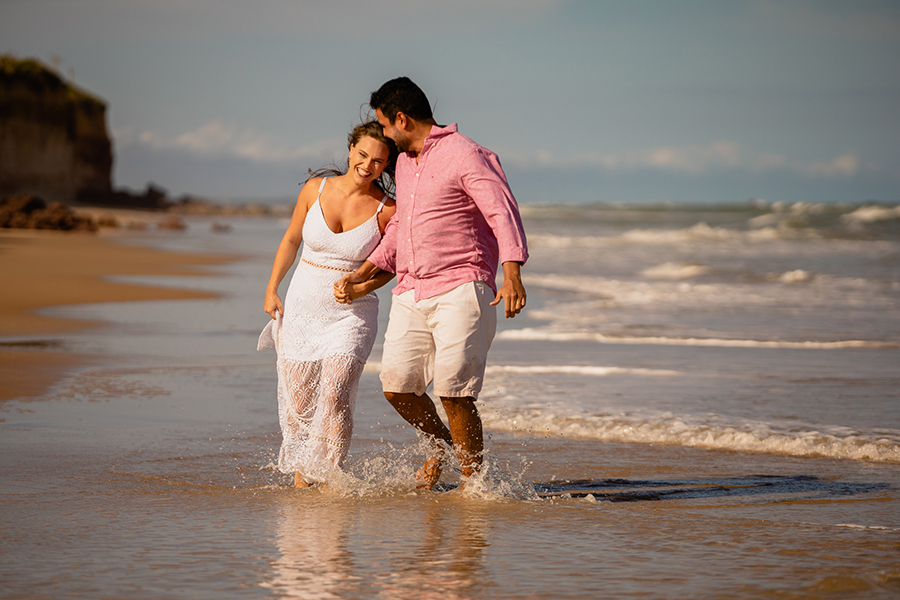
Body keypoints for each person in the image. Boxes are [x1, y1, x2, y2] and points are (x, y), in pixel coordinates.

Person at [335, 77, 528, 490]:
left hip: (462, 285)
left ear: (401, 119)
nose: (384, 135)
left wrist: (512, 272)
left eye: (385, 125)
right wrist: (367, 270)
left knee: (455, 391)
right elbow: (404, 224)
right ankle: (442, 447)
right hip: (411, 290)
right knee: (397, 387)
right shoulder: (405, 163)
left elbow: (501, 210)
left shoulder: (466, 155)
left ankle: (475, 485)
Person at [259, 121, 397, 488]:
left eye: (379, 161)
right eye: (363, 155)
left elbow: (393, 266)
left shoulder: (387, 210)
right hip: (303, 308)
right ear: (350, 149)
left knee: (335, 392)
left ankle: (329, 474)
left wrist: (361, 286)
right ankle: (304, 475)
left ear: (387, 166)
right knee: (300, 404)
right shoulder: (314, 190)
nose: (368, 166)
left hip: (352, 314)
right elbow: (290, 240)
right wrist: (272, 288)